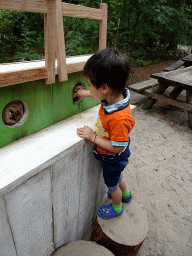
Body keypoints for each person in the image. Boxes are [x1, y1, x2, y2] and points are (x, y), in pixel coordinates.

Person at [76, 48, 135, 220]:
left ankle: (117, 207)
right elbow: (97, 94)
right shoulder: (116, 95)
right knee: (118, 176)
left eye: (89, 84)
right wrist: (84, 93)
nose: (88, 88)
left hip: (113, 157)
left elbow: (117, 148)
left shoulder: (119, 118)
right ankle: (127, 194)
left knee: (112, 184)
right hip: (117, 157)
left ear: (104, 88)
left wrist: (93, 137)